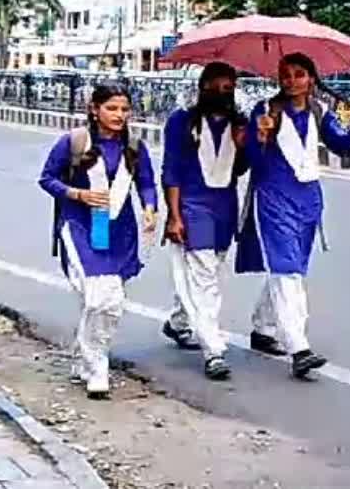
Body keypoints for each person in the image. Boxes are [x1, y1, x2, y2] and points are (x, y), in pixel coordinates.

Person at [235, 53, 350, 378]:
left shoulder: (319, 111)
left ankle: (263, 327)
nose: (292, 81)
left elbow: (340, 145)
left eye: (299, 74)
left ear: (311, 78)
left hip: (308, 200)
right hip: (273, 199)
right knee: (287, 270)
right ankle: (298, 346)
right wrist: (259, 138)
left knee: (291, 268)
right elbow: (251, 158)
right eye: (286, 75)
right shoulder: (265, 111)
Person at [38, 82, 158, 398]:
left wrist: (149, 207)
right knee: (97, 298)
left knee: (111, 300)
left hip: (120, 230)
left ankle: (84, 356)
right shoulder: (74, 142)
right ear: (95, 109)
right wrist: (77, 193)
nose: (119, 115)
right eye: (112, 108)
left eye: (124, 109)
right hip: (81, 226)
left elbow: (147, 182)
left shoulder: (134, 145)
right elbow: (47, 179)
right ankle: (97, 366)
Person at [160, 62, 249, 380]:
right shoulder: (181, 122)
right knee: (204, 278)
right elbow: (170, 171)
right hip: (192, 206)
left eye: (229, 88)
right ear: (203, 87)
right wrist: (174, 215)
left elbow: (239, 171)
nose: (222, 93)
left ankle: (179, 322)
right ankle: (213, 350)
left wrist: (245, 146)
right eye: (216, 87)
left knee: (210, 275)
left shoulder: (240, 124)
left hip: (224, 206)